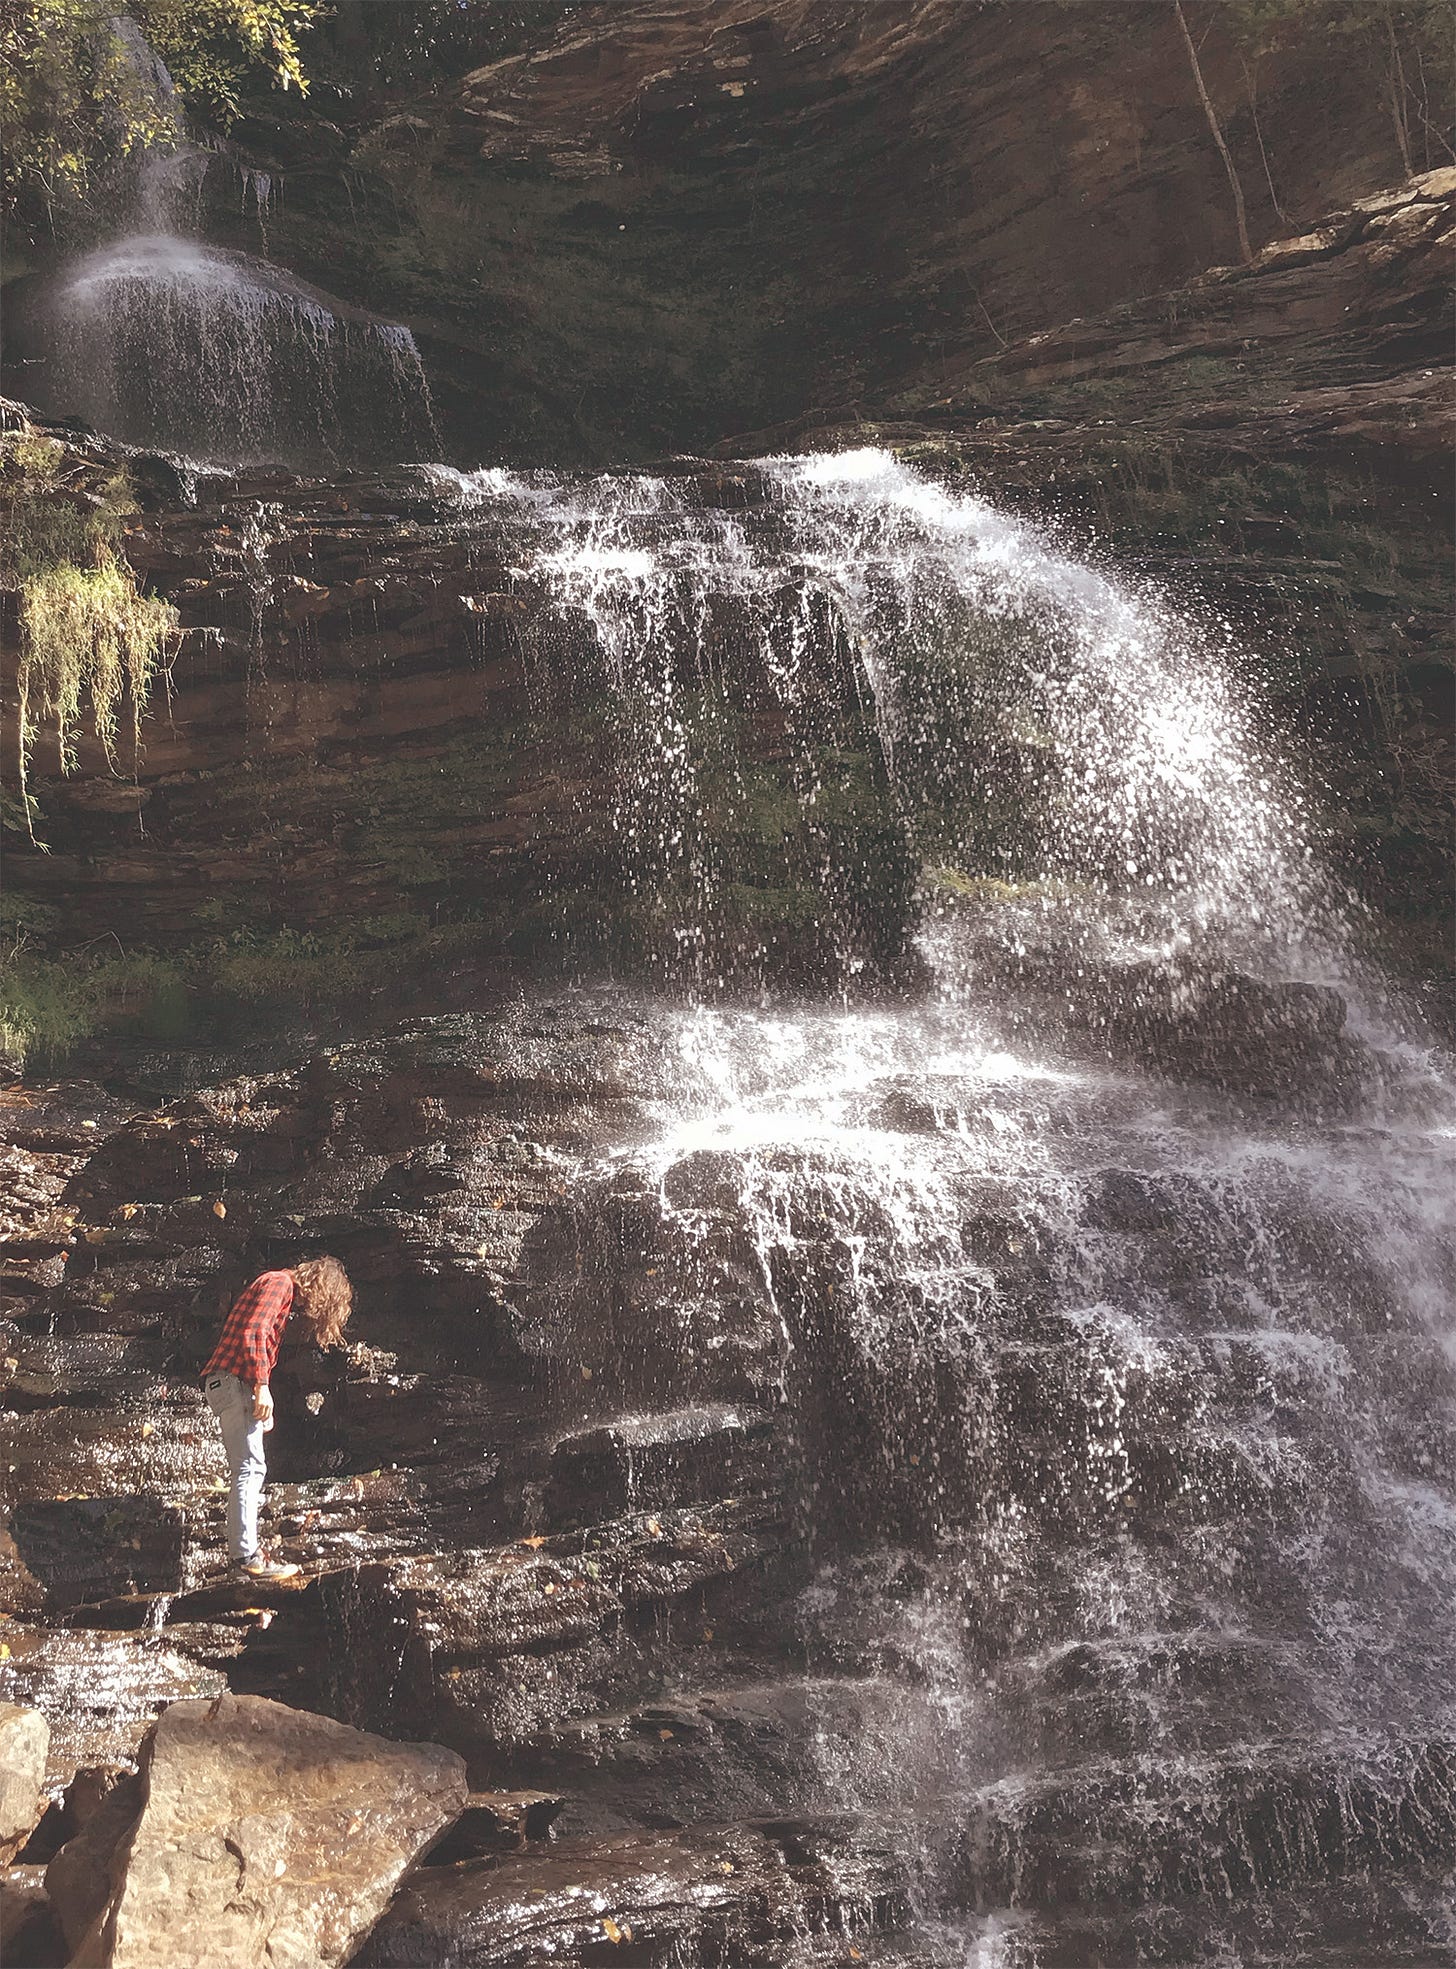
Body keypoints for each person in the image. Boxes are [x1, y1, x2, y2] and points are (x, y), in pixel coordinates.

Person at [201, 1255, 353, 1581]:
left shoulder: (273, 1285)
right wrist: (261, 1386)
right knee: (251, 1468)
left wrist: (259, 1398)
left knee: (249, 1466)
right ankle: (246, 1558)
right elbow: (254, 1331)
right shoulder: (279, 1282)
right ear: (319, 1286)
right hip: (235, 1381)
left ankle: (243, 1558)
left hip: (226, 1383)